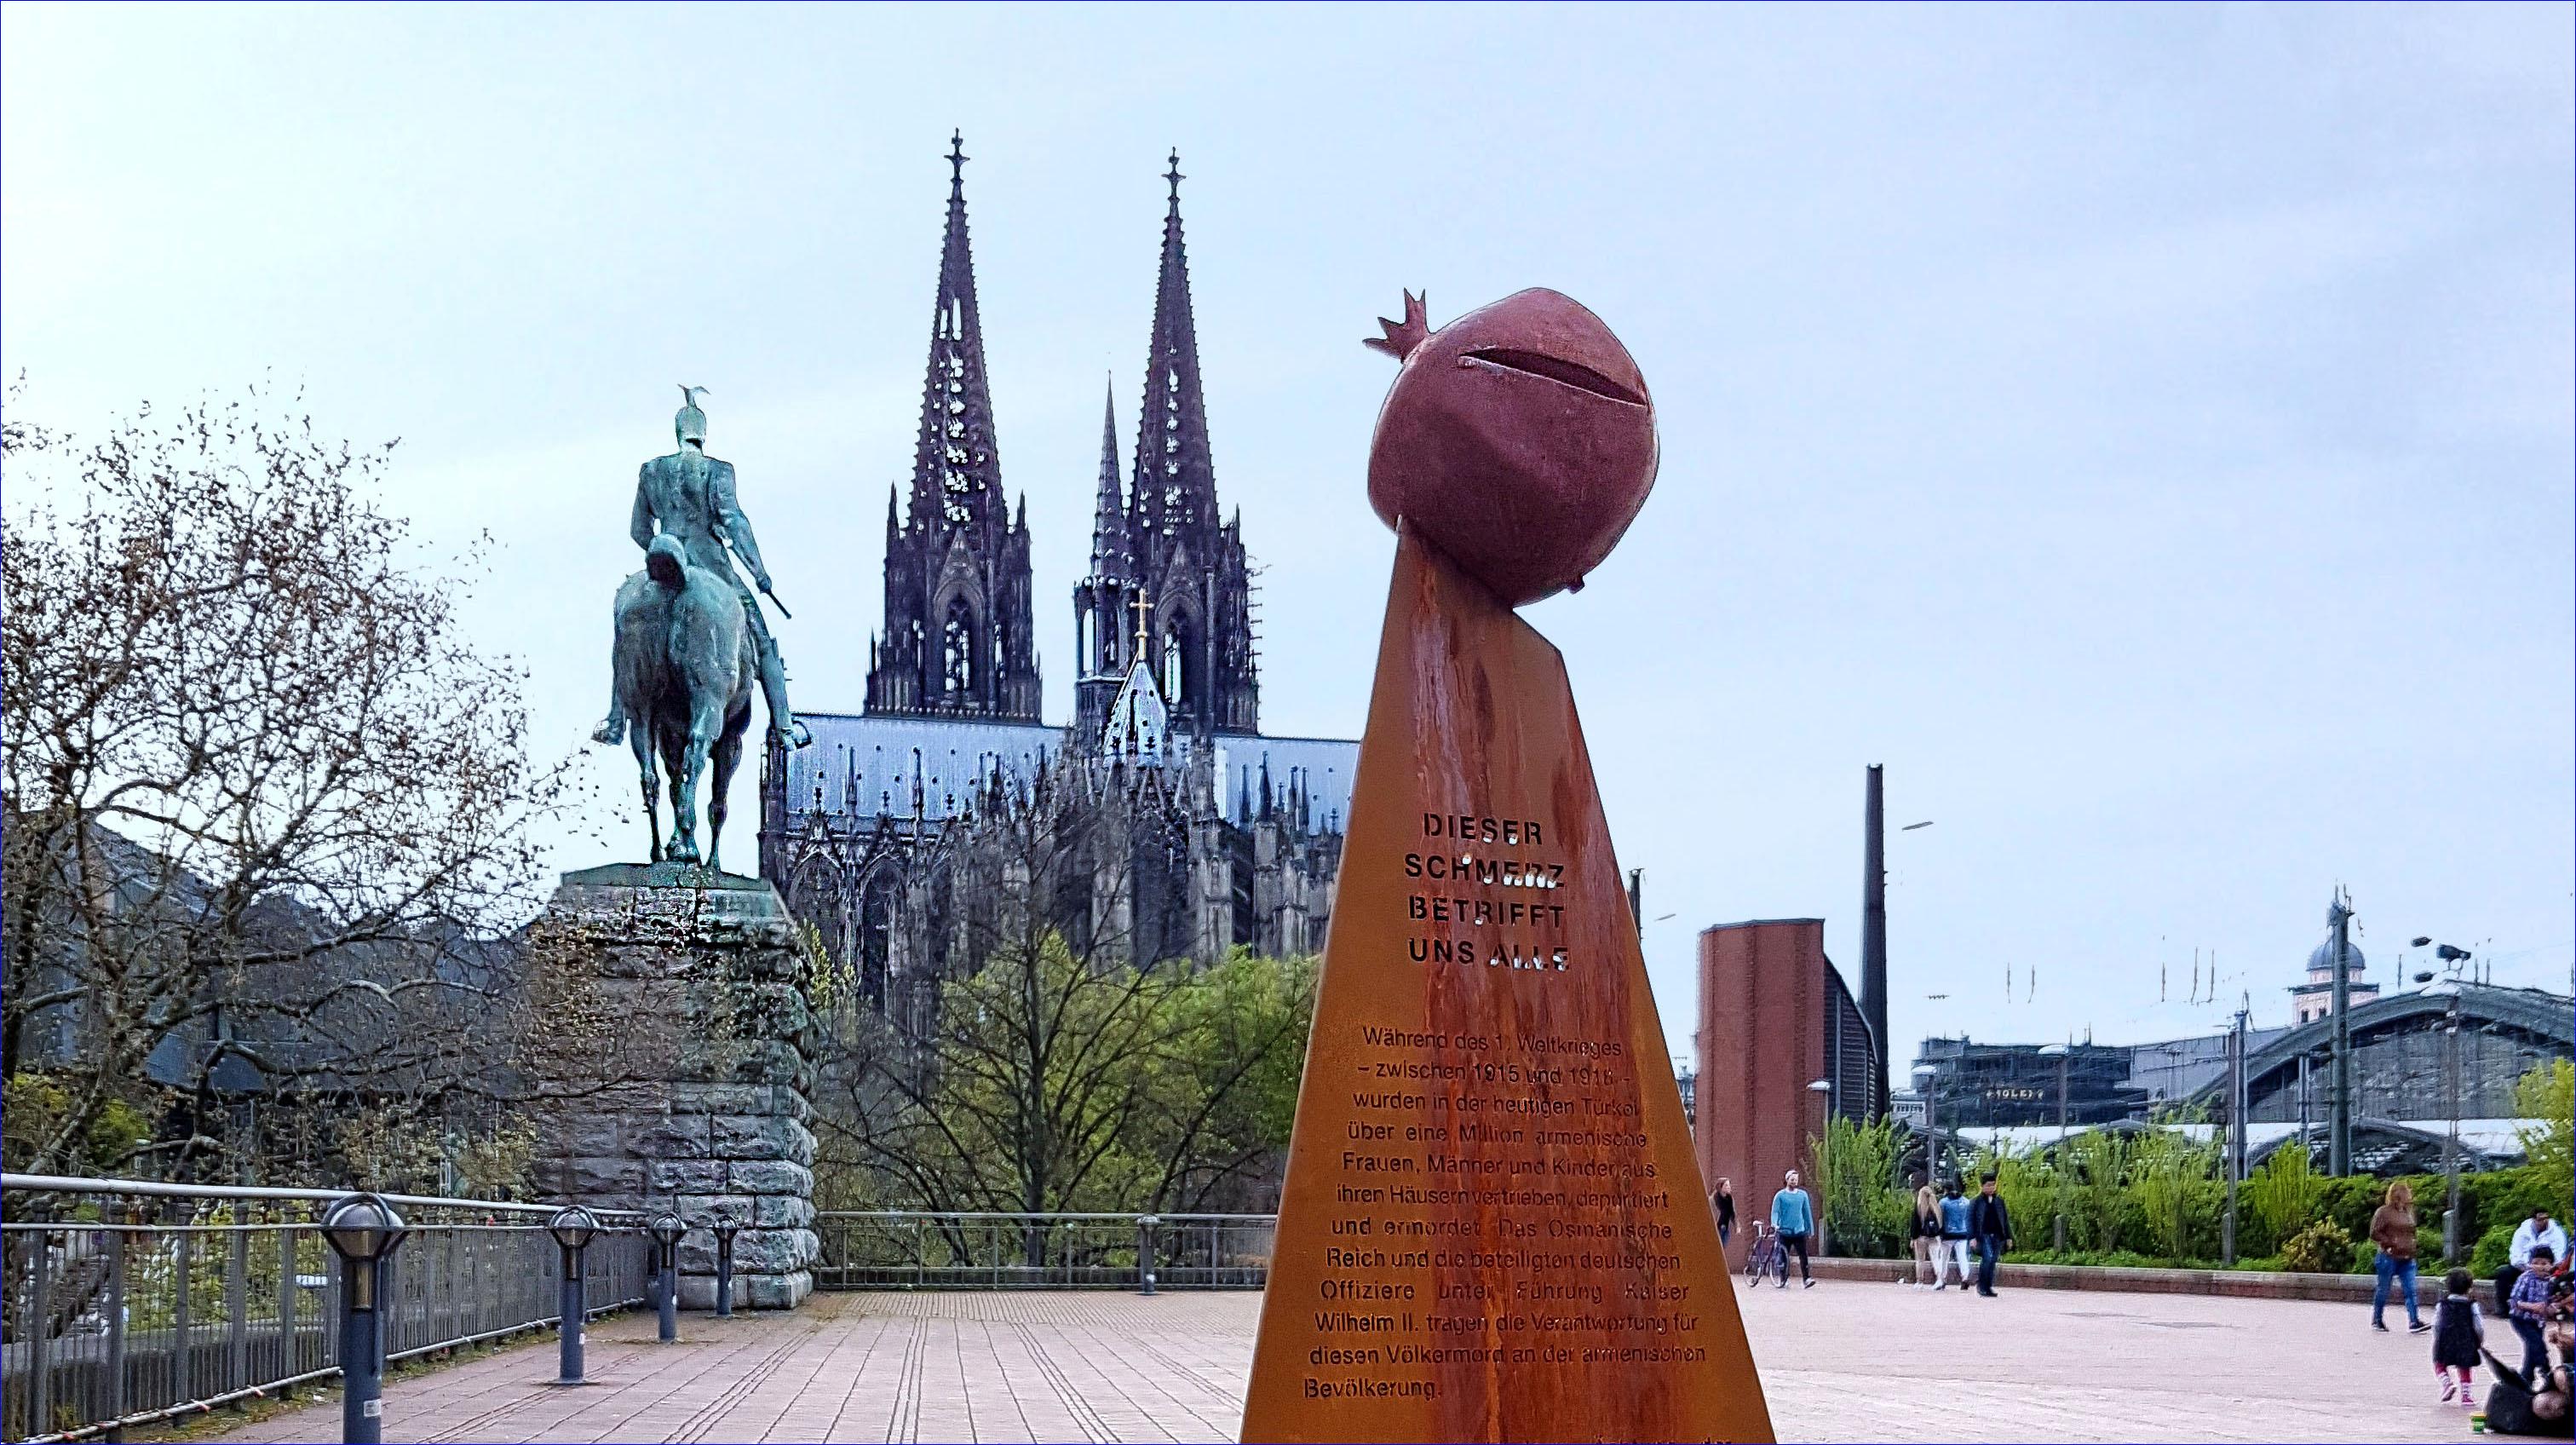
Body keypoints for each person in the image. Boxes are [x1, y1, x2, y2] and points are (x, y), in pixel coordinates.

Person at [596, 386, 811, 752]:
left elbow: (638, 529)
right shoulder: (717, 471)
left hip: (665, 565)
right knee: (763, 643)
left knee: (626, 635)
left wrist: (660, 555)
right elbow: (735, 523)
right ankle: (785, 726)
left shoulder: (651, 471)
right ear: (702, 434)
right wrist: (760, 572)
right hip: (712, 566)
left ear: (678, 433)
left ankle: (615, 720)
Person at [2368, 1178, 2427, 1333]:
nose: (2410, 1194)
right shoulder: (2384, 1212)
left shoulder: (2408, 1212)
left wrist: (2413, 1244)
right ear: (2398, 1194)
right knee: (2384, 1289)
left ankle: (2414, 1321)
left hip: (2407, 1257)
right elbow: (2374, 1232)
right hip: (2389, 1257)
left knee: (2410, 1289)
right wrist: (2389, 1243)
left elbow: (2412, 1231)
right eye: (2406, 1191)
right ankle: (2377, 1319)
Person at [2503, 1210, 2574, 1317]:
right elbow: (2515, 1254)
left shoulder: (2557, 1232)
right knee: (2504, 1273)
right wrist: (2528, 1267)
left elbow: (2560, 1257)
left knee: (2559, 1282)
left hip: (2550, 1267)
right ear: (2533, 1219)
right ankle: (2505, 1311)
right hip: (2524, 1266)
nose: (2544, 1221)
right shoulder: (2522, 1231)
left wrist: (2547, 1267)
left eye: (2546, 1218)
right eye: (2540, 1219)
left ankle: (2551, 1310)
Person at [2432, 1266, 2485, 1408]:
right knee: (2464, 1366)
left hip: (2445, 1339)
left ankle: (2447, 1383)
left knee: (2439, 1363)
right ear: (2469, 1288)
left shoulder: (2442, 1305)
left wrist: (2437, 1338)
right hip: (2466, 1339)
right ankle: (2466, 1396)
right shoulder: (2472, 1305)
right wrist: (2479, 1340)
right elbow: (2479, 1325)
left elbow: (2436, 1324)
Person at [2511, 1245, 2567, 1379]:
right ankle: (2546, 1371)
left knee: (2531, 1350)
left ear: (2551, 1265)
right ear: (2530, 1264)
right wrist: (2531, 1306)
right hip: (2521, 1319)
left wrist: (2552, 1307)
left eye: (2544, 1263)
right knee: (2537, 1345)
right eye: (2535, 1263)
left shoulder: (2550, 1282)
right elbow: (2514, 1300)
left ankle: (2526, 1378)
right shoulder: (2526, 1278)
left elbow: (2548, 1301)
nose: (2540, 1267)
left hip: (2538, 1321)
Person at [1968, 1172, 2014, 1298]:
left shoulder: (1999, 1201)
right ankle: (1981, 1286)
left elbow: (2005, 1220)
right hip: (1984, 1235)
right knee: (1987, 1259)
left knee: (1993, 1260)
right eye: (1988, 1185)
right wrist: (1972, 1237)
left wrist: (2009, 1237)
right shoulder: (1976, 1202)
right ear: (1982, 1186)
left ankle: (1988, 1286)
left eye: (1993, 1185)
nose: (1991, 1188)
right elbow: (1970, 1220)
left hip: (1997, 1235)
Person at [1770, 1169, 1815, 1289]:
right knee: (1783, 1256)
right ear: (1787, 1180)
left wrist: (1810, 1229)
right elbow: (1775, 1212)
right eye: (1792, 1179)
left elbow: (1807, 1213)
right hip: (1784, 1231)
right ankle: (1783, 1278)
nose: (1794, 1181)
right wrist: (1775, 1224)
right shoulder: (1780, 1196)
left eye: (1796, 1179)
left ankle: (1806, 1279)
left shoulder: (1802, 1195)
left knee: (1803, 1255)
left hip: (1799, 1231)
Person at [1935, 1178, 1974, 1292]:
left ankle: (1942, 1279)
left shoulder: (1943, 1202)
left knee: (1944, 1258)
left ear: (1945, 1189)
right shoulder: (1966, 1201)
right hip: (1962, 1233)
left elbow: (1939, 1218)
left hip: (1947, 1234)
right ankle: (1965, 1277)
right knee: (1962, 1257)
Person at [1908, 1182, 1942, 1288]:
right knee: (1936, 1259)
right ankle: (1939, 1279)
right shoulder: (1937, 1208)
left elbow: (1914, 1225)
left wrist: (1913, 1238)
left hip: (1921, 1237)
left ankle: (1919, 1282)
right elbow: (1941, 1224)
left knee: (1920, 1260)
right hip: (1934, 1237)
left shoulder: (1918, 1208)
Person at [1711, 1178, 1737, 1251]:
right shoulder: (1712, 1200)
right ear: (1720, 1187)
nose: (1729, 1187)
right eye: (1726, 1185)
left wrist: (1736, 1226)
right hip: (1716, 1229)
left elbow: (1732, 1213)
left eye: (1729, 1185)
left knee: (1721, 1249)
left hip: (1725, 1228)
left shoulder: (1730, 1199)